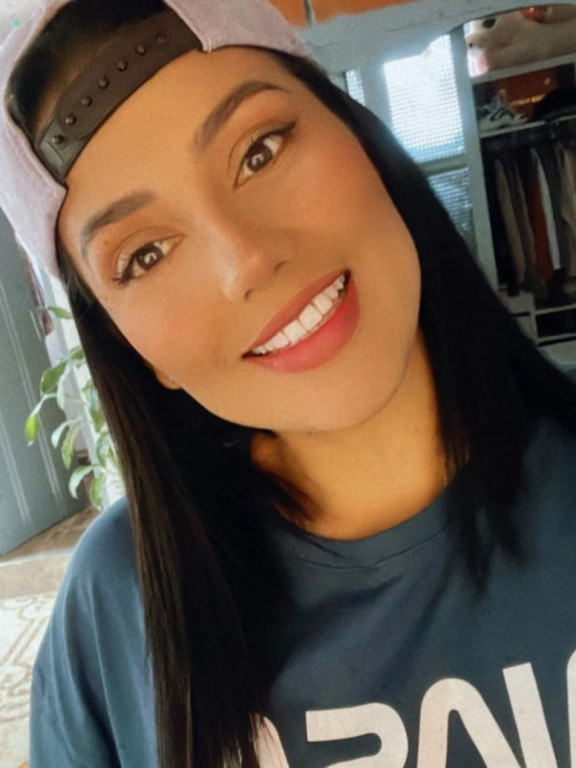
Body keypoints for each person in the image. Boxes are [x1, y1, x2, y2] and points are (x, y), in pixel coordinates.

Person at [1, 0, 576, 765]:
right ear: (136, 351)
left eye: (260, 151)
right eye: (146, 255)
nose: (246, 260)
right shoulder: (116, 602)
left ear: (363, 139)